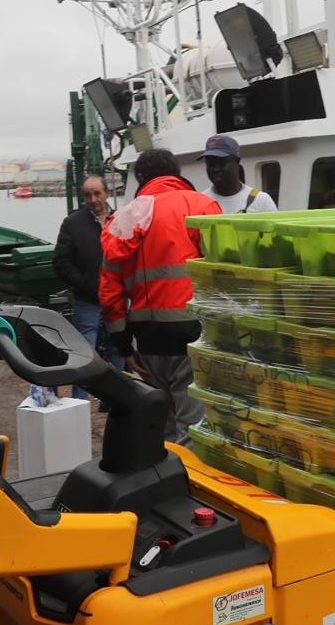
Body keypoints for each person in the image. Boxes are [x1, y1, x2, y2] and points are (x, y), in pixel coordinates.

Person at [100, 148, 221, 445]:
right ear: (177, 172)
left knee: (162, 425)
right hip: (193, 334)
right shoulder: (202, 206)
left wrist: (123, 347)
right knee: (192, 429)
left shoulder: (123, 219)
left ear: (141, 177)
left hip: (148, 339)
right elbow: (223, 273)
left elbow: (109, 292)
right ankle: (189, 487)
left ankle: (162, 483)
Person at [53, 174, 123, 400]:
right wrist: (85, 285)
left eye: (97, 194)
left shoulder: (121, 219)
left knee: (118, 349)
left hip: (117, 299)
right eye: (88, 195)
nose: (93, 199)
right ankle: (79, 403)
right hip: (88, 300)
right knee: (85, 354)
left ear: (107, 193)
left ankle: (116, 401)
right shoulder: (73, 223)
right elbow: (61, 262)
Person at [197, 134, 277, 215]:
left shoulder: (261, 201)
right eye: (210, 164)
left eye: (221, 163)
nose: (215, 169)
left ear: (237, 162)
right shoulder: (199, 202)